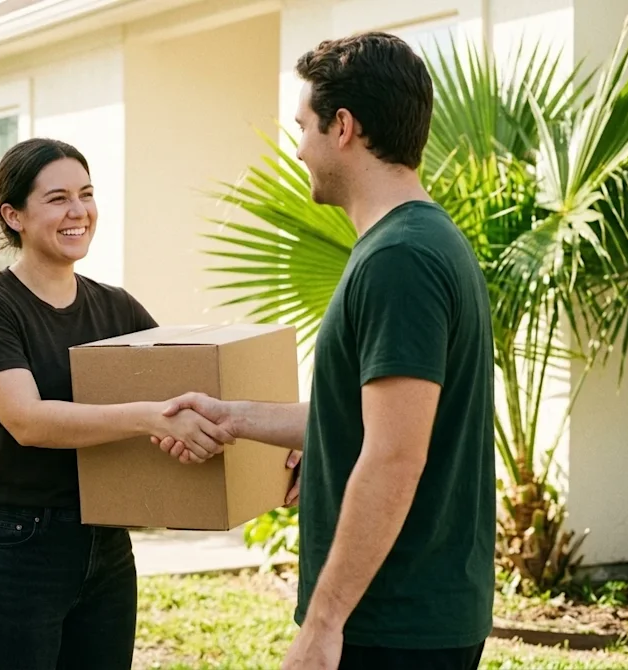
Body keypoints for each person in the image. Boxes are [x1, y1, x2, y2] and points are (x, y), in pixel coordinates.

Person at [155, 32, 495, 670]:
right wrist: (236, 418)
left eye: (303, 126)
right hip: (407, 614)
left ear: (343, 127)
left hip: (392, 621)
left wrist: (323, 623)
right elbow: (370, 423)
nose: (300, 148)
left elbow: (394, 457)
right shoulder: (417, 241)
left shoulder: (401, 259)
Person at [0, 137, 240, 670]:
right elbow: (28, 421)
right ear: (13, 215)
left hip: (104, 546)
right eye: (57, 199)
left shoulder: (115, 307)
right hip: (13, 547)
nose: (78, 211)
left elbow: (195, 386)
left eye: (86, 193)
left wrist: (272, 447)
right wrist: (148, 415)